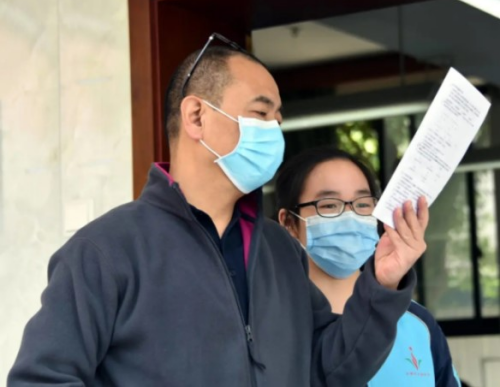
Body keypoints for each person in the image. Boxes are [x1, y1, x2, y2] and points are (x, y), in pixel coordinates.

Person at [9, 33, 427, 387]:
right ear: (196, 116)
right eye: (260, 113)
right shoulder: (107, 250)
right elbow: (41, 378)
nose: (274, 131)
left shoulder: (280, 250)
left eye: (278, 120)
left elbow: (329, 368)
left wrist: (382, 283)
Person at [276, 146, 461, 386]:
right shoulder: (272, 322)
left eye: (363, 204)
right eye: (329, 205)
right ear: (289, 223)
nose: (350, 215)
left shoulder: (417, 323)